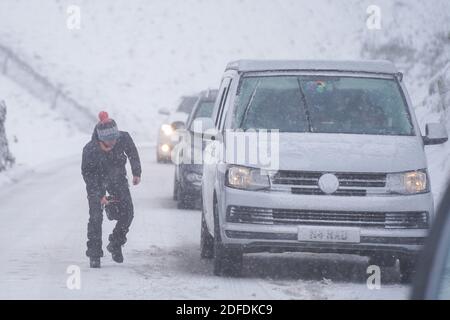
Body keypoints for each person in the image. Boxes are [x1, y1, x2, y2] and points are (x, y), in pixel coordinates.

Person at [82, 111, 142, 268]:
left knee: (127, 212)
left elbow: (133, 153)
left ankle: (115, 243)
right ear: (102, 138)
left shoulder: (123, 138)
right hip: (97, 183)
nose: (114, 141)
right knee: (96, 217)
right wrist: (99, 195)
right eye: (110, 139)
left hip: (118, 180)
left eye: (115, 137)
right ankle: (94, 254)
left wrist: (136, 172)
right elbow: (88, 175)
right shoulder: (90, 150)